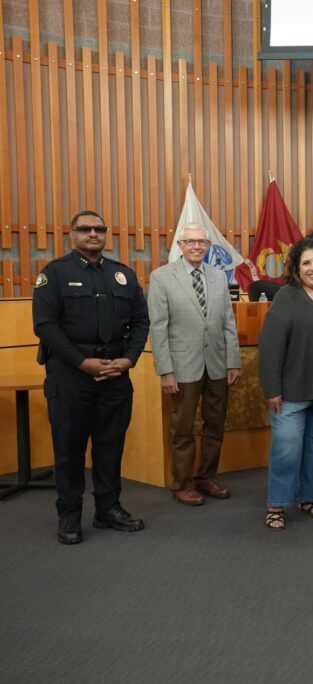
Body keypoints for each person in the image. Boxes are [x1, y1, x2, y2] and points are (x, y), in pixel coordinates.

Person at [32, 210, 149, 544]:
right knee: (69, 449)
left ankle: (108, 509)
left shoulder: (122, 275)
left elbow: (141, 321)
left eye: (99, 229)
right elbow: (45, 326)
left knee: (110, 446)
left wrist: (128, 359)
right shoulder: (54, 274)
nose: (93, 234)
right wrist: (82, 363)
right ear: (72, 234)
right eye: (86, 229)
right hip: (70, 376)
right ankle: (69, 515)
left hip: (115, 373)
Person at [148, 224, 242, 506]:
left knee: (215, 424)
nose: (197, 246)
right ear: (180, 243)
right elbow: (159, 327)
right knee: (183, 428)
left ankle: (206, 477)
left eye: (202, 242)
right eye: (191, 242)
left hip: (216, 364)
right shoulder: (162, 277)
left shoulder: (217, 277)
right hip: (182, 366)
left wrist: (233, 361)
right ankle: (182, 482)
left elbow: (228, 323)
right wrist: (166, 370)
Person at [258, 238, 313, 531]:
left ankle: (310, 498)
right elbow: (270, 346)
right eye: (306, 262)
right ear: (296, 268)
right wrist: (272, 389)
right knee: (287, 451)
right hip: (293, 392)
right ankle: (277, 504)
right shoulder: (287, 296)